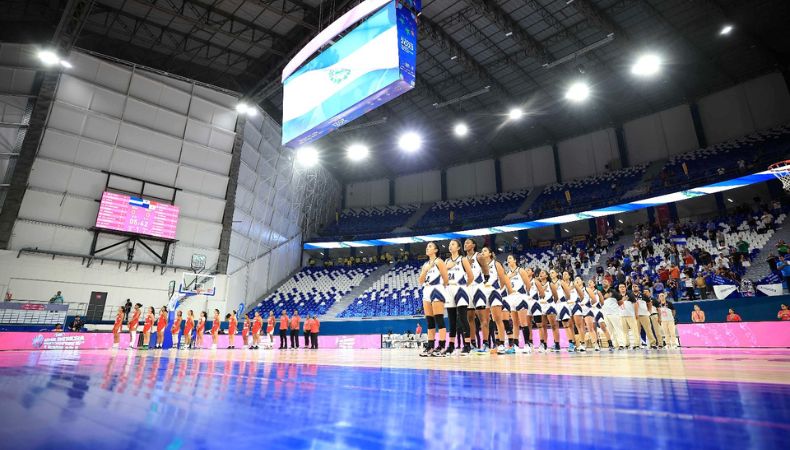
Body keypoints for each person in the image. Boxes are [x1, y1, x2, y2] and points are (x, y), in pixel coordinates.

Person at [443, 239, 475, 355]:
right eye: (449, 244)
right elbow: (442, 277)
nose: (450, 246)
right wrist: (446, 268)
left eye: (452, 244)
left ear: (458, 247)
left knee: (462, 318)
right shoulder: (446, 261)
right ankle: (451, 345)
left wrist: (464, 286)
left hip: (460, 289)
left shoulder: (463, 259)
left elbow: (471, 276)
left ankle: (467, 345)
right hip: (449, 289)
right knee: (451, 320)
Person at [418, 242, 450, 357]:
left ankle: (441, 346)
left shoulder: (439, 261)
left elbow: (446, 279)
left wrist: (441, 288)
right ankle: (430, 347)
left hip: (437, 289)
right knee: (430, 321)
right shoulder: (425, 264)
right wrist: (425, 270)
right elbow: (420, 281)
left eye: (430, 246)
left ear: (436, 250)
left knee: (439, 319)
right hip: (426, 290)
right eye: (427, 247)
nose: (427, 248)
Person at [601, 279, 626, 350]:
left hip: (614, 313)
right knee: (610, 330)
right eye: (603, 282)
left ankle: (622, 344)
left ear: (609, 283)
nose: (604, 283)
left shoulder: (613, 292)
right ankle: (615, 345)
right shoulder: (601, 293)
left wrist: (614, 308)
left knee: (618, 329)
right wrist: (604, 297)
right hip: (605, 314)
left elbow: (620, 302)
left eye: (605, 281)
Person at [618, 284, 640, 350]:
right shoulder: (617, 296)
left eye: (623, 287)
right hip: (621, 315)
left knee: (635, 330)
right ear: (619, 289)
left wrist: (636, 314)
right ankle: (626, 344)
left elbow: (635, 304)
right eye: (620, 287)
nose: (622, 288)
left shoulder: (630, 295)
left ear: (625, 288)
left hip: (630, 315)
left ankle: (637, 344)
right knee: (624, 331)